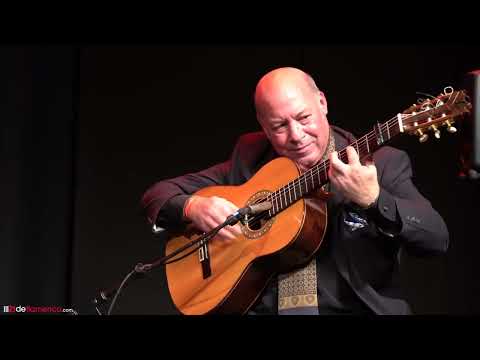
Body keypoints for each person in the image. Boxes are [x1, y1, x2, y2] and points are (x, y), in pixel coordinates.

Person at [140, 67, 449, 315]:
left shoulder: (382, 164)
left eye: (304, 118)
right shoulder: (250, 159)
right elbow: (158, 194)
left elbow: (436, 238)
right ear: (263, 125)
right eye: (279, 126)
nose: (296, 136)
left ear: (323, 103)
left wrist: (374, 200)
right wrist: (192, 207)